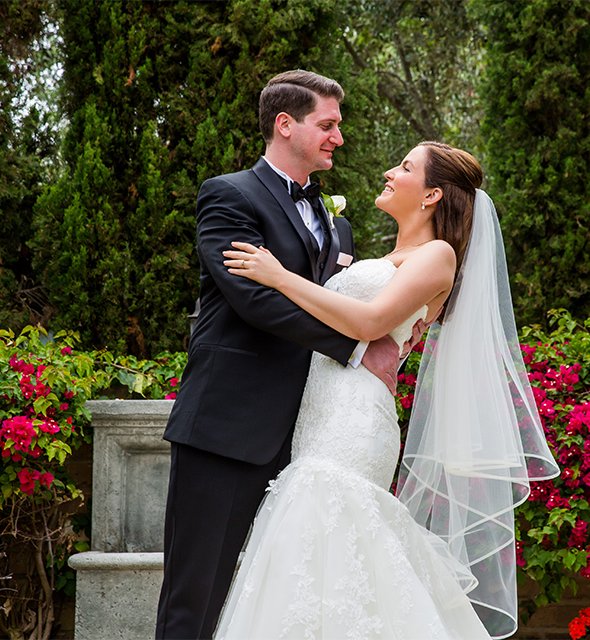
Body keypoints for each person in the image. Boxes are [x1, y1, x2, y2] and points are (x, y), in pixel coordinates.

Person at [218, 142, 560, 639]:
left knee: (332, 528)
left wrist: (279, 276)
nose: (389, 172)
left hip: (353, 420)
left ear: (432, 195)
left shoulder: (437, 256)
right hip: (319, 414)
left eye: (404, 167)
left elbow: (371, 320)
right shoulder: (390, 257)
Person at [155, 70, 407, 640]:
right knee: (195, 598)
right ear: (285, 125)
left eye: (339, 125)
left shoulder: (337, 223)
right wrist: (354, 348)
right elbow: (252, 301)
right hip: (227, 426)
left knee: (277, 599)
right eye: (328, 124)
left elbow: (328, 299)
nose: (338, 137)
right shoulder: (229, 195)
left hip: (308, 437)